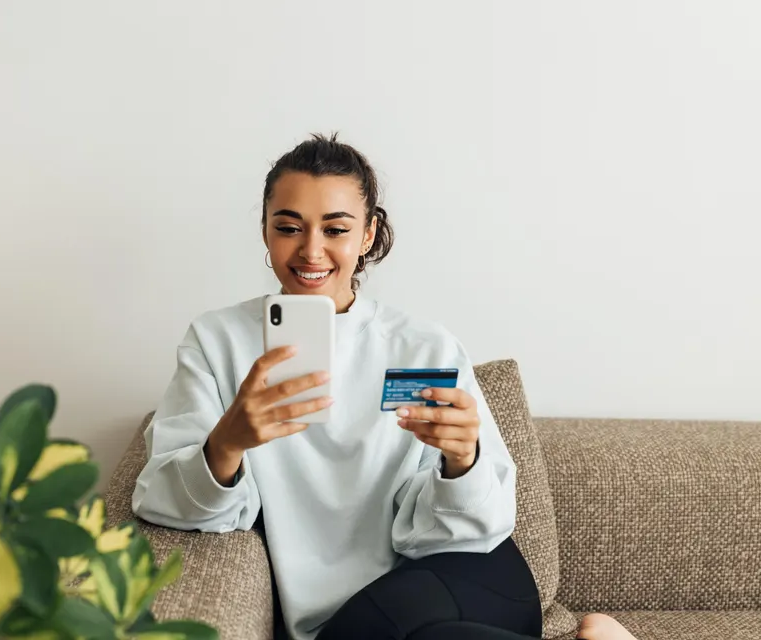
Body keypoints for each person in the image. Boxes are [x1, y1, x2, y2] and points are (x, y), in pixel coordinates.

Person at [132, 134, 637, 640]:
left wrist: (462, 462)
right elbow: (159, 499)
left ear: (369, 234)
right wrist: (228, 443)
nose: (311, 250)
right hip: (359, 617)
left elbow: (478, 525)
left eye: (336, 229)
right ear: (265, 230)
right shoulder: (219, 341)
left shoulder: (422, 346)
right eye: (289, 227)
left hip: (462, 571)